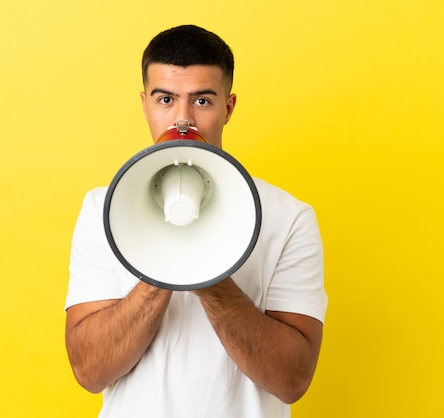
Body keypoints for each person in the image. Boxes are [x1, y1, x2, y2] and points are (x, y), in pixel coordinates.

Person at [64, 24, 328, 418]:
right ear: (144, 104)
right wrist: (166, 263)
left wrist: (208, 267)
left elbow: (292, 380)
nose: (182, 120)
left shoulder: (289, 218)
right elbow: (89, 371)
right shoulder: (102, 208)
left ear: (229, 106)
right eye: (165, 99)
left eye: (202, 101)